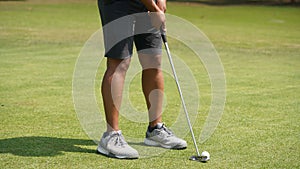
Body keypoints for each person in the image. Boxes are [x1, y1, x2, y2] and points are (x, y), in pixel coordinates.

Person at [96, 0, 187, 159]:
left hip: (146, 5)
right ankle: (111, 136)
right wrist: (154, 9)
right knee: (119, 62)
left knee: (153, 60)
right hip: (118, 4)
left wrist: (160, 3)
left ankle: (155, 129)